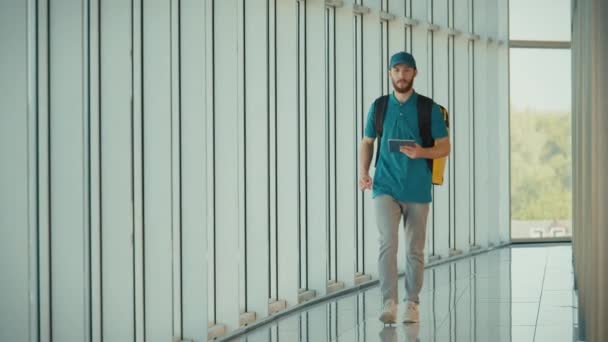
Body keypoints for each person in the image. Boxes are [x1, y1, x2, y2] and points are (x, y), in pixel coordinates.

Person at [358, 51, 450, 324]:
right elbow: (367, 141)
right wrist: (363, 172)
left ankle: (412, 302)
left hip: (418, 188)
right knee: (387, 243)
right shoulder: (379, 107)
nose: (401, 75)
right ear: (390, 73)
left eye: (406, 70)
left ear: (415, 73)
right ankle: (389, 302)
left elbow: (445, 146)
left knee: (414, 249)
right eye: (396, 70)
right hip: (385, 185)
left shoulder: (429, 108)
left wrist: (421, 153)